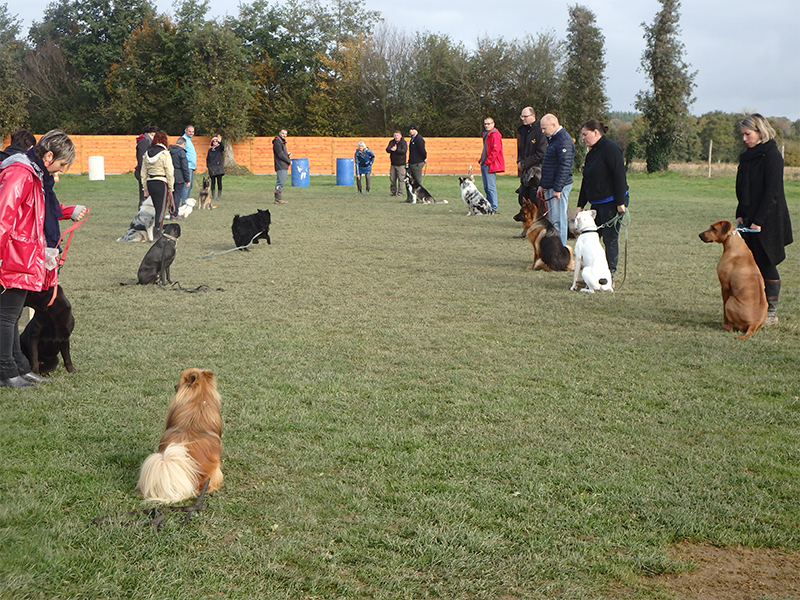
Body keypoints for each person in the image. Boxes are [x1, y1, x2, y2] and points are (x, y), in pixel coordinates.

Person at [0, 130, 75, 388]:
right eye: (62, 165)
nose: (61, 171)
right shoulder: (21, 173)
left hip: (23, 254)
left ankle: (18, 365)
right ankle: (7, 370)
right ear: (49, 155)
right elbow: (3, 214)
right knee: (7, 316)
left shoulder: (34, 175)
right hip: (11, 255)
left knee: (11, 314)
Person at [735, 113, 793, 325]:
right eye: (743, 135)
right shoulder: (748, 157)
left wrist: (759, 221)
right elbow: (742, 188)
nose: (744, 139)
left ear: (760, 132)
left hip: (768, 219)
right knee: (752, 262)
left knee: (766, 261)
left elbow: (773, 192)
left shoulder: (772, 156)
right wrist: (741, 213)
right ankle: (754, 306)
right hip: (748, 218)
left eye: (747, 134)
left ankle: (771, 312)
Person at [575, 119, 628, 276]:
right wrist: (580, 205)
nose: (583, 138)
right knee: (592, 239)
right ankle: (593, 271)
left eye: (585, 134)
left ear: (596, 132)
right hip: (596, 204)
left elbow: (619, 177)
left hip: (612, 203)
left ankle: (609, 274)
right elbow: (586, 181)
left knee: (610, 239)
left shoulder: (611, 149)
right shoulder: (591, 154)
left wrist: (620, 202)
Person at [537, 113, 574, 247]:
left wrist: (558, 188)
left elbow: (565, 166)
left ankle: (560, 251)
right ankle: (555, 250)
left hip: (557, 187)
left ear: (553, 125)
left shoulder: (563, 140)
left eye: (544, 128)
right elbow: (548, 165)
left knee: (558, 220)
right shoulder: (553, 139)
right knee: (553, 220)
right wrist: (542, 184)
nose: (542, 131)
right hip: (550, 186)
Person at [515, 107, 547, 237]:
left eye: (525, 116)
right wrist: (519, 162)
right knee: (522, 197)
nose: (522, 119)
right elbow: (520, 150)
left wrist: (525, 163)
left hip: (536, 172)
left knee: (535, 201)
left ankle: (536, 228)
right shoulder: (523, 131)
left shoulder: (540, 130)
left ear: (533, 116)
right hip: (525, 172)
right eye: (522, 116)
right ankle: (527, 227)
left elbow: (541, 153)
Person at [142, 131, 174, 237]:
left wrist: (145, 188)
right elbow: (169, 171)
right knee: (160, 209)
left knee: (153, 207)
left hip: (150, 182)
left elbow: (143, 172)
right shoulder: (165, 153)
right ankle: (158, 230)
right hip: (161, 182)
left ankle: (148, 228)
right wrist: (171, 188)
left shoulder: (146, 153)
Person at [479, 117, 505, 212]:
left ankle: (493, 207)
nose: (487, 125)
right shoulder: (487, 135)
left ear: (493, 124)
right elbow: (486, 150)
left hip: (490, 165)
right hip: (485, 163)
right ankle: (488, 205)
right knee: (486, 187)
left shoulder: (495, 135)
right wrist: (481, 160)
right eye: (485, 124)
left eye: (489, 123)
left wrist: (488, 162)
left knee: (490, 187)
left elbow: (495, 151)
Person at [134, 126, 158, 208]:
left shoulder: (146, 141)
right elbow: (141, 158)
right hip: (143, 171)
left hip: (144, 171)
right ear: (148, 134)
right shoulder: (144, 142)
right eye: (152, 135)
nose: (153, 137)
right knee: (144, 196)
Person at [169, 136, 190, 218]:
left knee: (171, 195)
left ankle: (170, 211)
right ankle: (175, 213)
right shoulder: (181, 152)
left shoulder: (169, 150)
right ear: (183, 144)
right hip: (179, 176)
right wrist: (187, 179)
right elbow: (184, 167)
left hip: (169, 175)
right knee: (177, 195)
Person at [406, 124, 426, 202]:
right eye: (410, 129)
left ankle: (419, 198)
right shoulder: (412, 139)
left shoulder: (419, 139)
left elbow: (422, 151)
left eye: (413, 129)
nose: (411, 131)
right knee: (407, 180)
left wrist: (424, 158)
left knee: (417, 181)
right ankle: (409, 198)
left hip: (417, 163)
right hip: (411, 163)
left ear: (416, 130)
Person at [386, 130, 407, 197]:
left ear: (400, 136)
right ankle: (393, 192)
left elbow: (404, 151)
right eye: (395, 135)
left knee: (401, 179)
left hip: (401, 164)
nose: (396, 137)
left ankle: (400, 193)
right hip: (393, 164)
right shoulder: (391, 142)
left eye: (397, 135)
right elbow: (387, 149)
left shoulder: (403, 143)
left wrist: (396, 149)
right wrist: (391, 149)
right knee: (392, 179)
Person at [273, 129, 290, 204]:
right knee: (280, 183)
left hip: (283, 165)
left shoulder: (281, 142)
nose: (284, 135)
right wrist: (288, 160)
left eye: (285, 134)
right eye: (283, 133)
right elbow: (280, 154)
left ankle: (278, 199)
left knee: (281, 182)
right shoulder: (277, 142)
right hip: (280, 165)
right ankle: (278, 199)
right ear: (279, 133)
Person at [180, 124, 196, 205]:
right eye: (189, 131)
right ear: (185, 131)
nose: (191, 133)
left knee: (190, 185)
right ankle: (184, 203)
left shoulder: (189, 140)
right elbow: (181, 152)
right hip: (187, 166)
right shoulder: (184, 140)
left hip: (191, 166)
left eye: (192, 131)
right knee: (187, 185)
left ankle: (185, 202)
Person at [206, 135, 225, 201]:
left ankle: (219, 195)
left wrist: (220, 141)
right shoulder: (210, 150)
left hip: (219, 168)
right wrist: (208, 166)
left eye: (216, 141)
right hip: (212, 168)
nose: (215, 142)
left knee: (219, 182)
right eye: (213, 141)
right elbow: (207, 159)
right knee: (212, 182)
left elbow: (223, 147)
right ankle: (213, 195)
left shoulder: (219, 149)